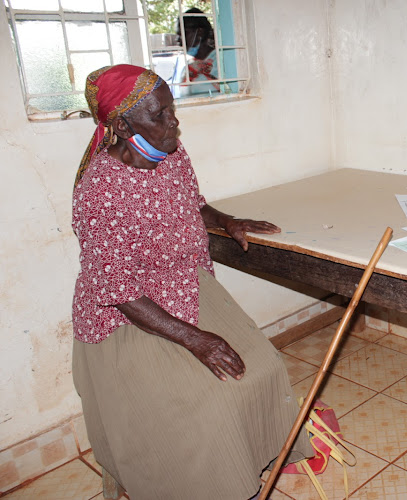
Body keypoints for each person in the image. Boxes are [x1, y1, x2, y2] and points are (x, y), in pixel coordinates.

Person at [71, 64, 311, 499]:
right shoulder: (100, 191)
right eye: (160, 114)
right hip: (129, 314)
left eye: (172, 110)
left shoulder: (171, 152)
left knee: (267, 369)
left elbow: (192, 203)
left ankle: (253, 462)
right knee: (208, 405)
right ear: (123, 125)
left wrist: (225, 220)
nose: (173, 123)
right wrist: (197, 340)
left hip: (187, 286)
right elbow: (118, 290)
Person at [176, 8, 220, 94]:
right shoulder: (189, 67)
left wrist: (207, 74)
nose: (179, 41)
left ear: (200, 32)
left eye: (183, 34)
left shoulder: (220, 62)